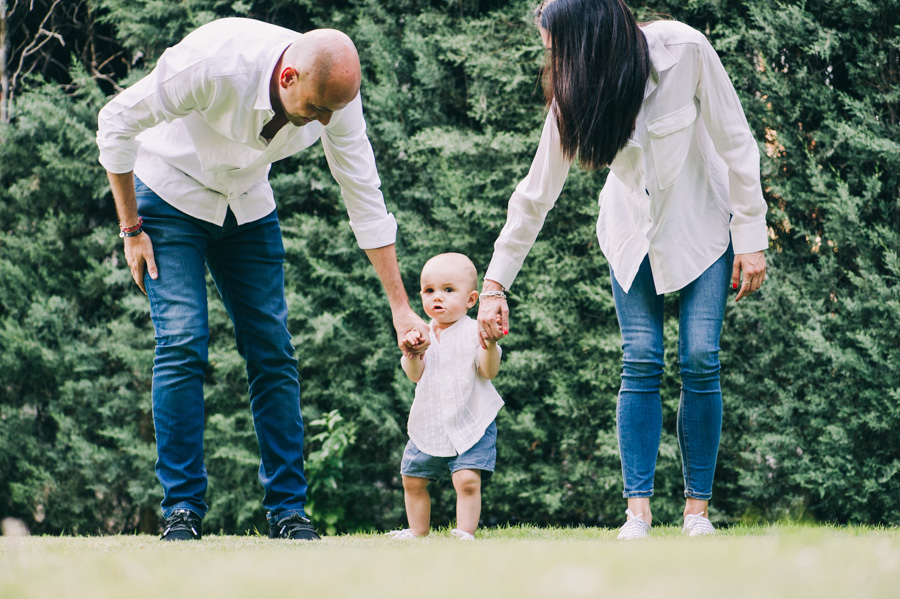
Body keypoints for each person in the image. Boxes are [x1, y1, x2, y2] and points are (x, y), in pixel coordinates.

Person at [96, 17, 429, 541]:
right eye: (315, 110)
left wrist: (400, 306)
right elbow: (115, 121)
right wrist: (131, 227)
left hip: (247, 205)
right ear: (288, 76)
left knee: (273, 351)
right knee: (183, 341)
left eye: (331, 112)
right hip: (168, 198)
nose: (321, 121)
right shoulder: (213, 62)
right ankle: (181, 510)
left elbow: (364, 194)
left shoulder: (334, 101)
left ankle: (288, 511)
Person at [477, 0, 768, 539]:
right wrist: (494, 284)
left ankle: (696, 514)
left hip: (704, 223)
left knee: (701, 357)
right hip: (631, 233)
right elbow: (535, 195)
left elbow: (737, 141)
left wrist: (752, 237)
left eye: (556, 48)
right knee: (641, 358)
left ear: (586, 41)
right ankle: (638, 514)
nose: (552, 60)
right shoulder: (575, 95)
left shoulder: (684, 50)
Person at [386, 253, 504, 541]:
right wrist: (412, 353)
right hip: (431, 421)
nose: (437, 298)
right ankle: (417, 532)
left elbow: (488, 372)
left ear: (471, 299)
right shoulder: (419, 332)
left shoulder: (475, 331)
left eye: (448, 290)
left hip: (471, 418)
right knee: (412, 479)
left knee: (466, 480)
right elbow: (415, 374)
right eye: (429, 291)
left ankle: (464, 533)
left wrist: (489, 347)